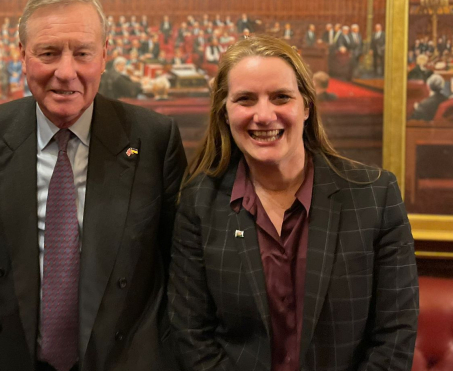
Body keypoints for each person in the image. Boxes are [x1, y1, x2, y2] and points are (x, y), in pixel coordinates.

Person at [0, 0, 187, 371]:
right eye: (48, 53)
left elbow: (174, 261)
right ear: (22, 56)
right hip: (7, 356)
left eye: (82, 53)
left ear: (105, 56)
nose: (66, 72)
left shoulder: (153, 138)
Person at [169, 34, 418, 371]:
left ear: (306, 106)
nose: (264, 115)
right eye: (245, 99)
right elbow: (192, 336)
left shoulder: (376, 194)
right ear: (225, 114)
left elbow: (395, 335)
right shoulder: (199, 202)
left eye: (281, 97)